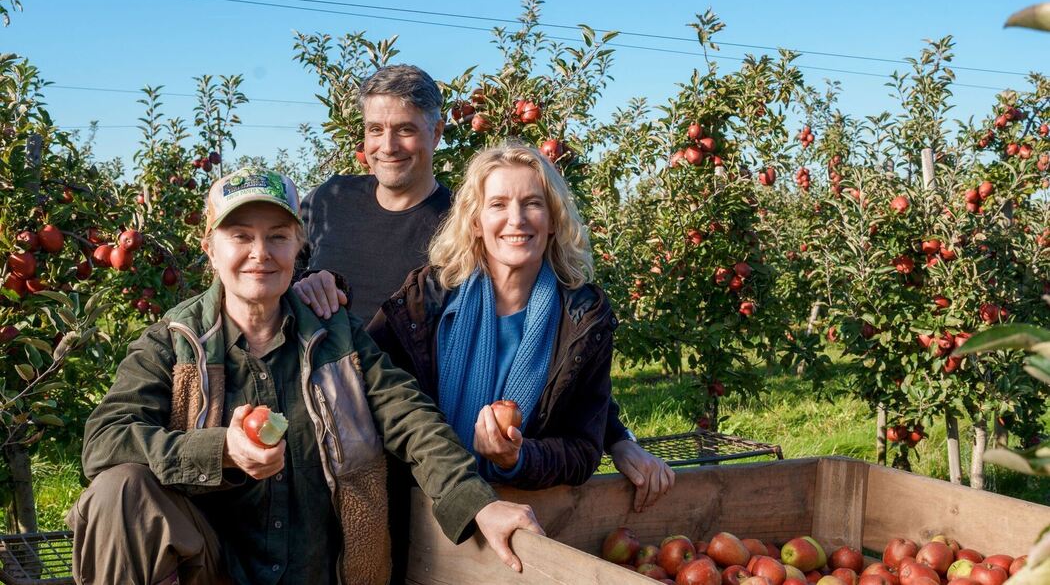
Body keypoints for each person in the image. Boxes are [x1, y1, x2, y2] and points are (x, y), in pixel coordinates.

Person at [66, 168, 543, 585]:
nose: (260, 253)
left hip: (318, 570)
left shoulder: (337, 336)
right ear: (210, 248)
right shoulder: (173, 343)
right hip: (211, 569)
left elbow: (410, 418)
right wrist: (221, 451)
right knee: (120, 489)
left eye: (277, 235)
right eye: (240, 236)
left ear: (299, 246)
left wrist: (478, 502)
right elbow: (104, 442)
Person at [293, 64, 675, 509]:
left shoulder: (460, 235)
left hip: (418, 466)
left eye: (405, 130)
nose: (388, 146)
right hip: (331, 435)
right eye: (375, 129)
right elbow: (276, 275)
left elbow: (565, 370)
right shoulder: (328, 200)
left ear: (436, 133)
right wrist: (304, 282)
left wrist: (618, 438)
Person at [368, 143, 620, 489]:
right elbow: (373, 390)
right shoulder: (426, 298)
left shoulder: (582, 318)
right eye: (498, 204)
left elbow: (583, 448)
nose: (516, 219)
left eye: (533, 203)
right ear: (475, 222)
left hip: (527, 517)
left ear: (552, 221)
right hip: (423, 508)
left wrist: (520, 457)